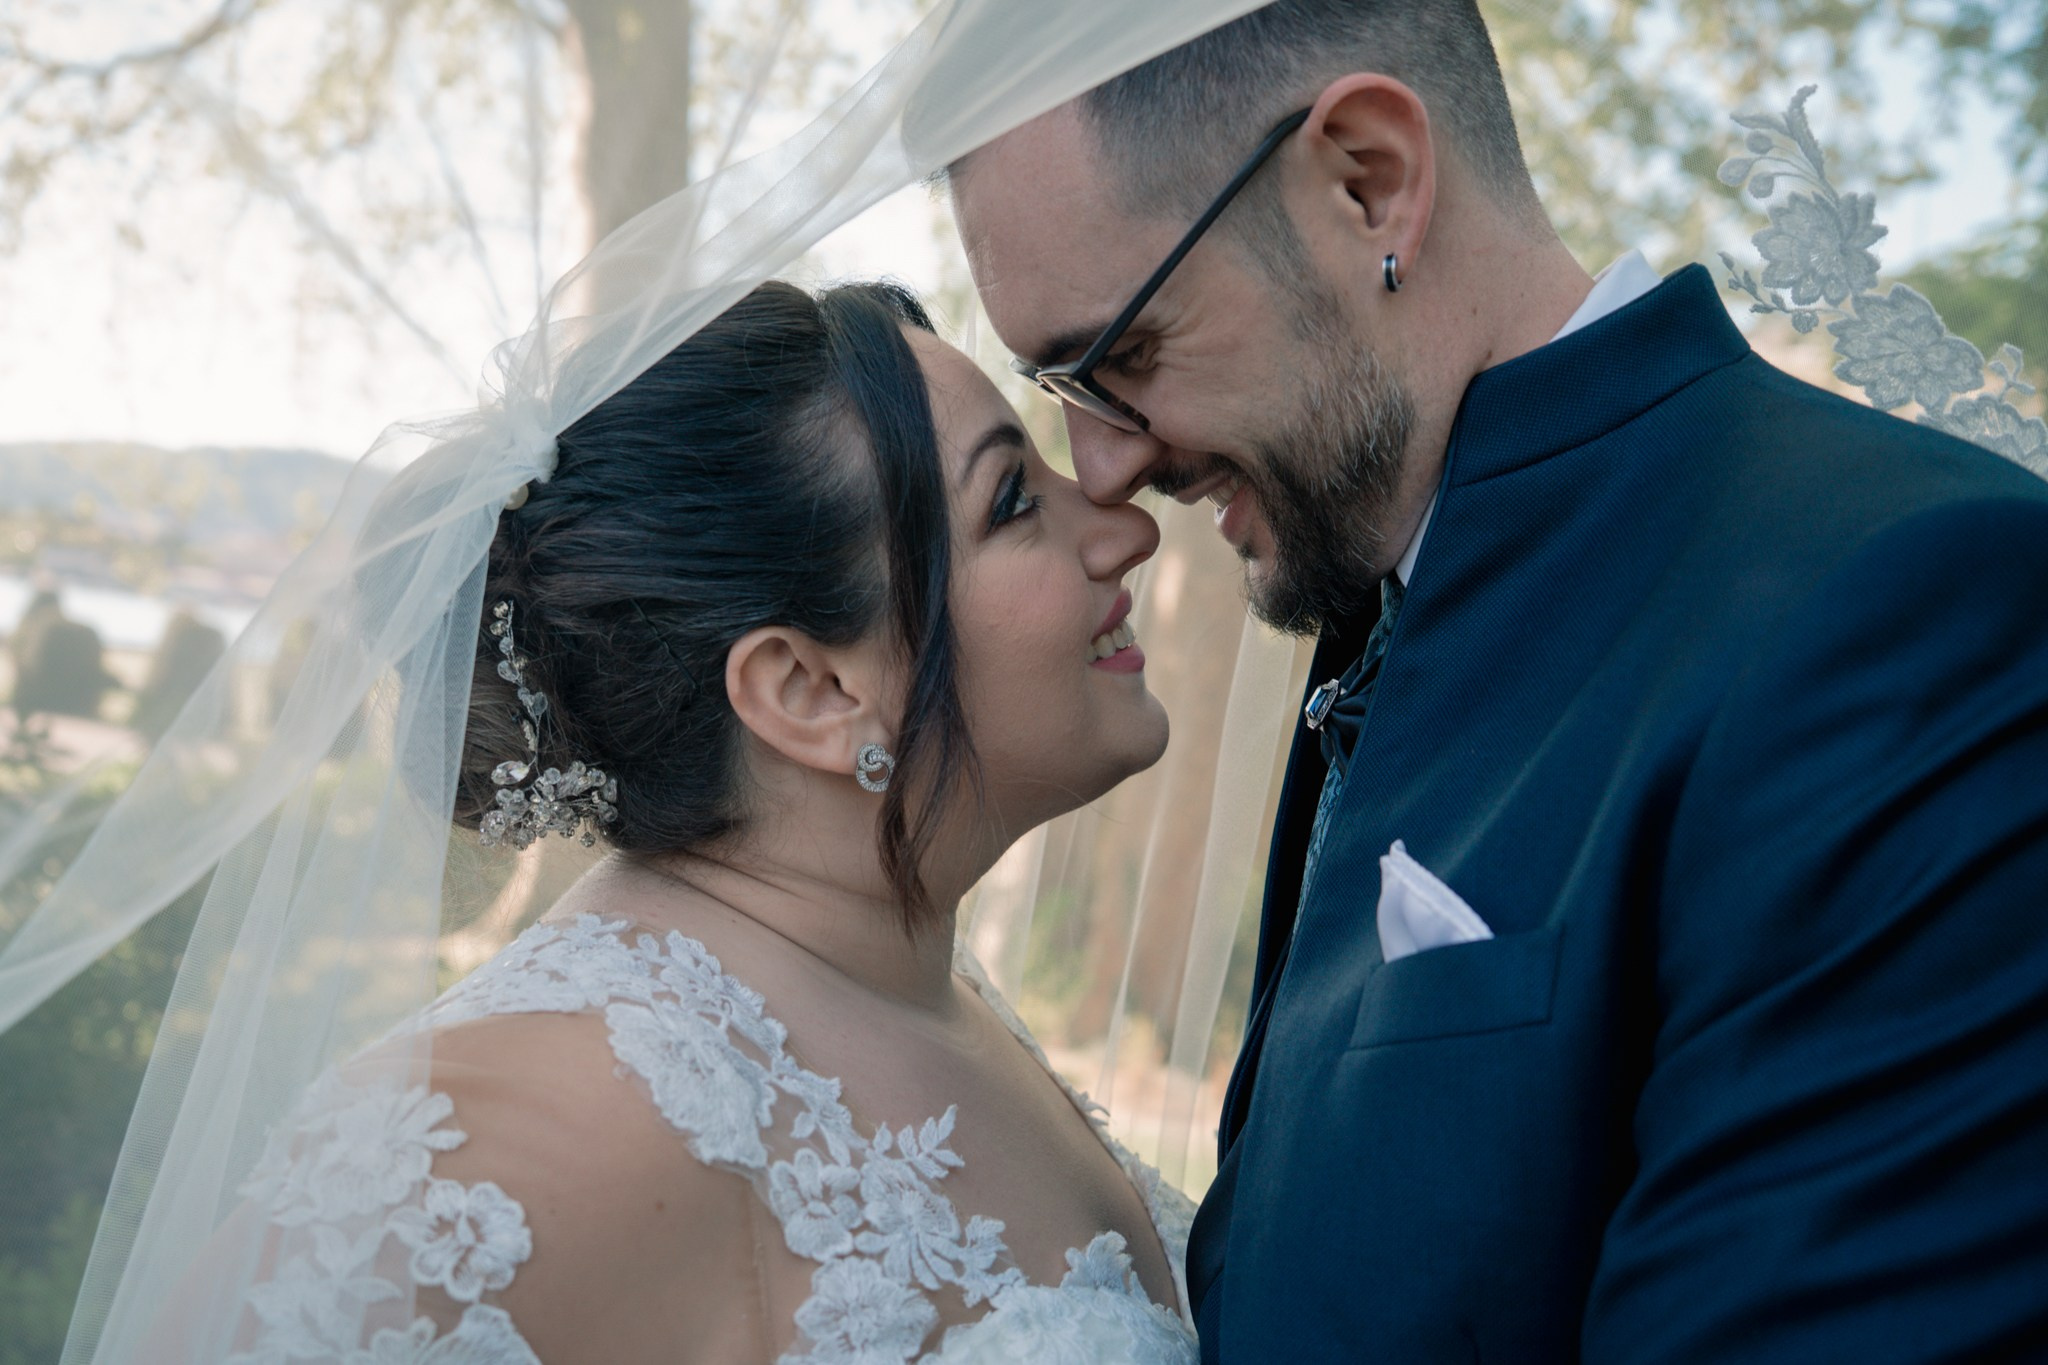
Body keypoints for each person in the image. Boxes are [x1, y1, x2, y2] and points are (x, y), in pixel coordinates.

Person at [946, 1, 2048, 1358]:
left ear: (1369, 182)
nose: (1103, 467)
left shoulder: (1910, 609)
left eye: (1124, 356)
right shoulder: (1394, 591)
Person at [167, 280, 1198, 1363]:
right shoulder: (535, 1126)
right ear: (808, 689)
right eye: (1013, 502)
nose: (1124, 527)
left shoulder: (900, 978)